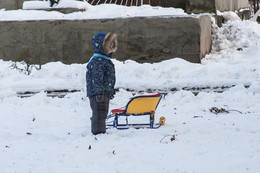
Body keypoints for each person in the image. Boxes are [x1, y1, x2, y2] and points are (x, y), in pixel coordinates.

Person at [86, 32, 117, 135]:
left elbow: (108, 78)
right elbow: (97, 78)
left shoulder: (105, 61)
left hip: (104, 93)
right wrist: (99, 93)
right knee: (99, 113)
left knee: (103, 113)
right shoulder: (97, 61)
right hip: (98, 94)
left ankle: (101, 131)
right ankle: (98, 132)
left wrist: (109, 90)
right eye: (109, 45)